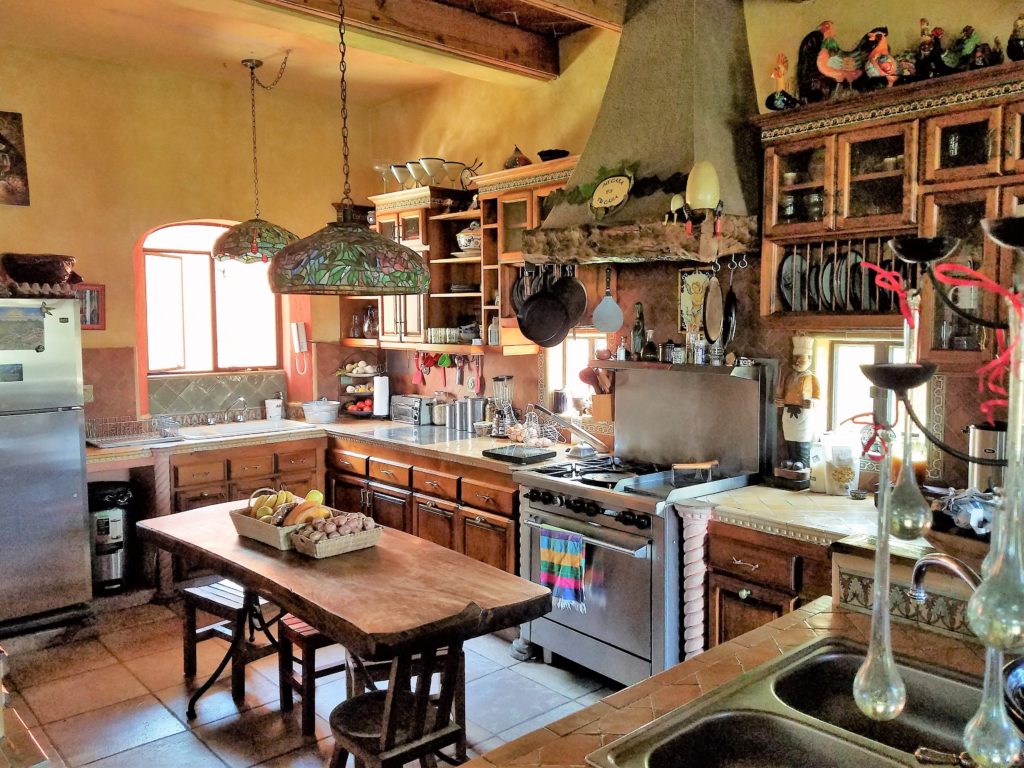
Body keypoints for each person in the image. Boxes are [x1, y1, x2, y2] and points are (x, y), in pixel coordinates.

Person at [775, 335, 821, 471]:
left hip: (804, 413)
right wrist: (780, 400)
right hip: (788, 411)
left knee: (802, 437)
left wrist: (812, 402)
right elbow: (782, 393)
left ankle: (802, 460)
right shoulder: (789, 376)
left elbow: (818, 397)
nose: (797, 361)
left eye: (801, 358)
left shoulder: (812, 378)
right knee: (790, 436)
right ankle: (792, 458)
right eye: (795, 358)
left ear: (809, 359)